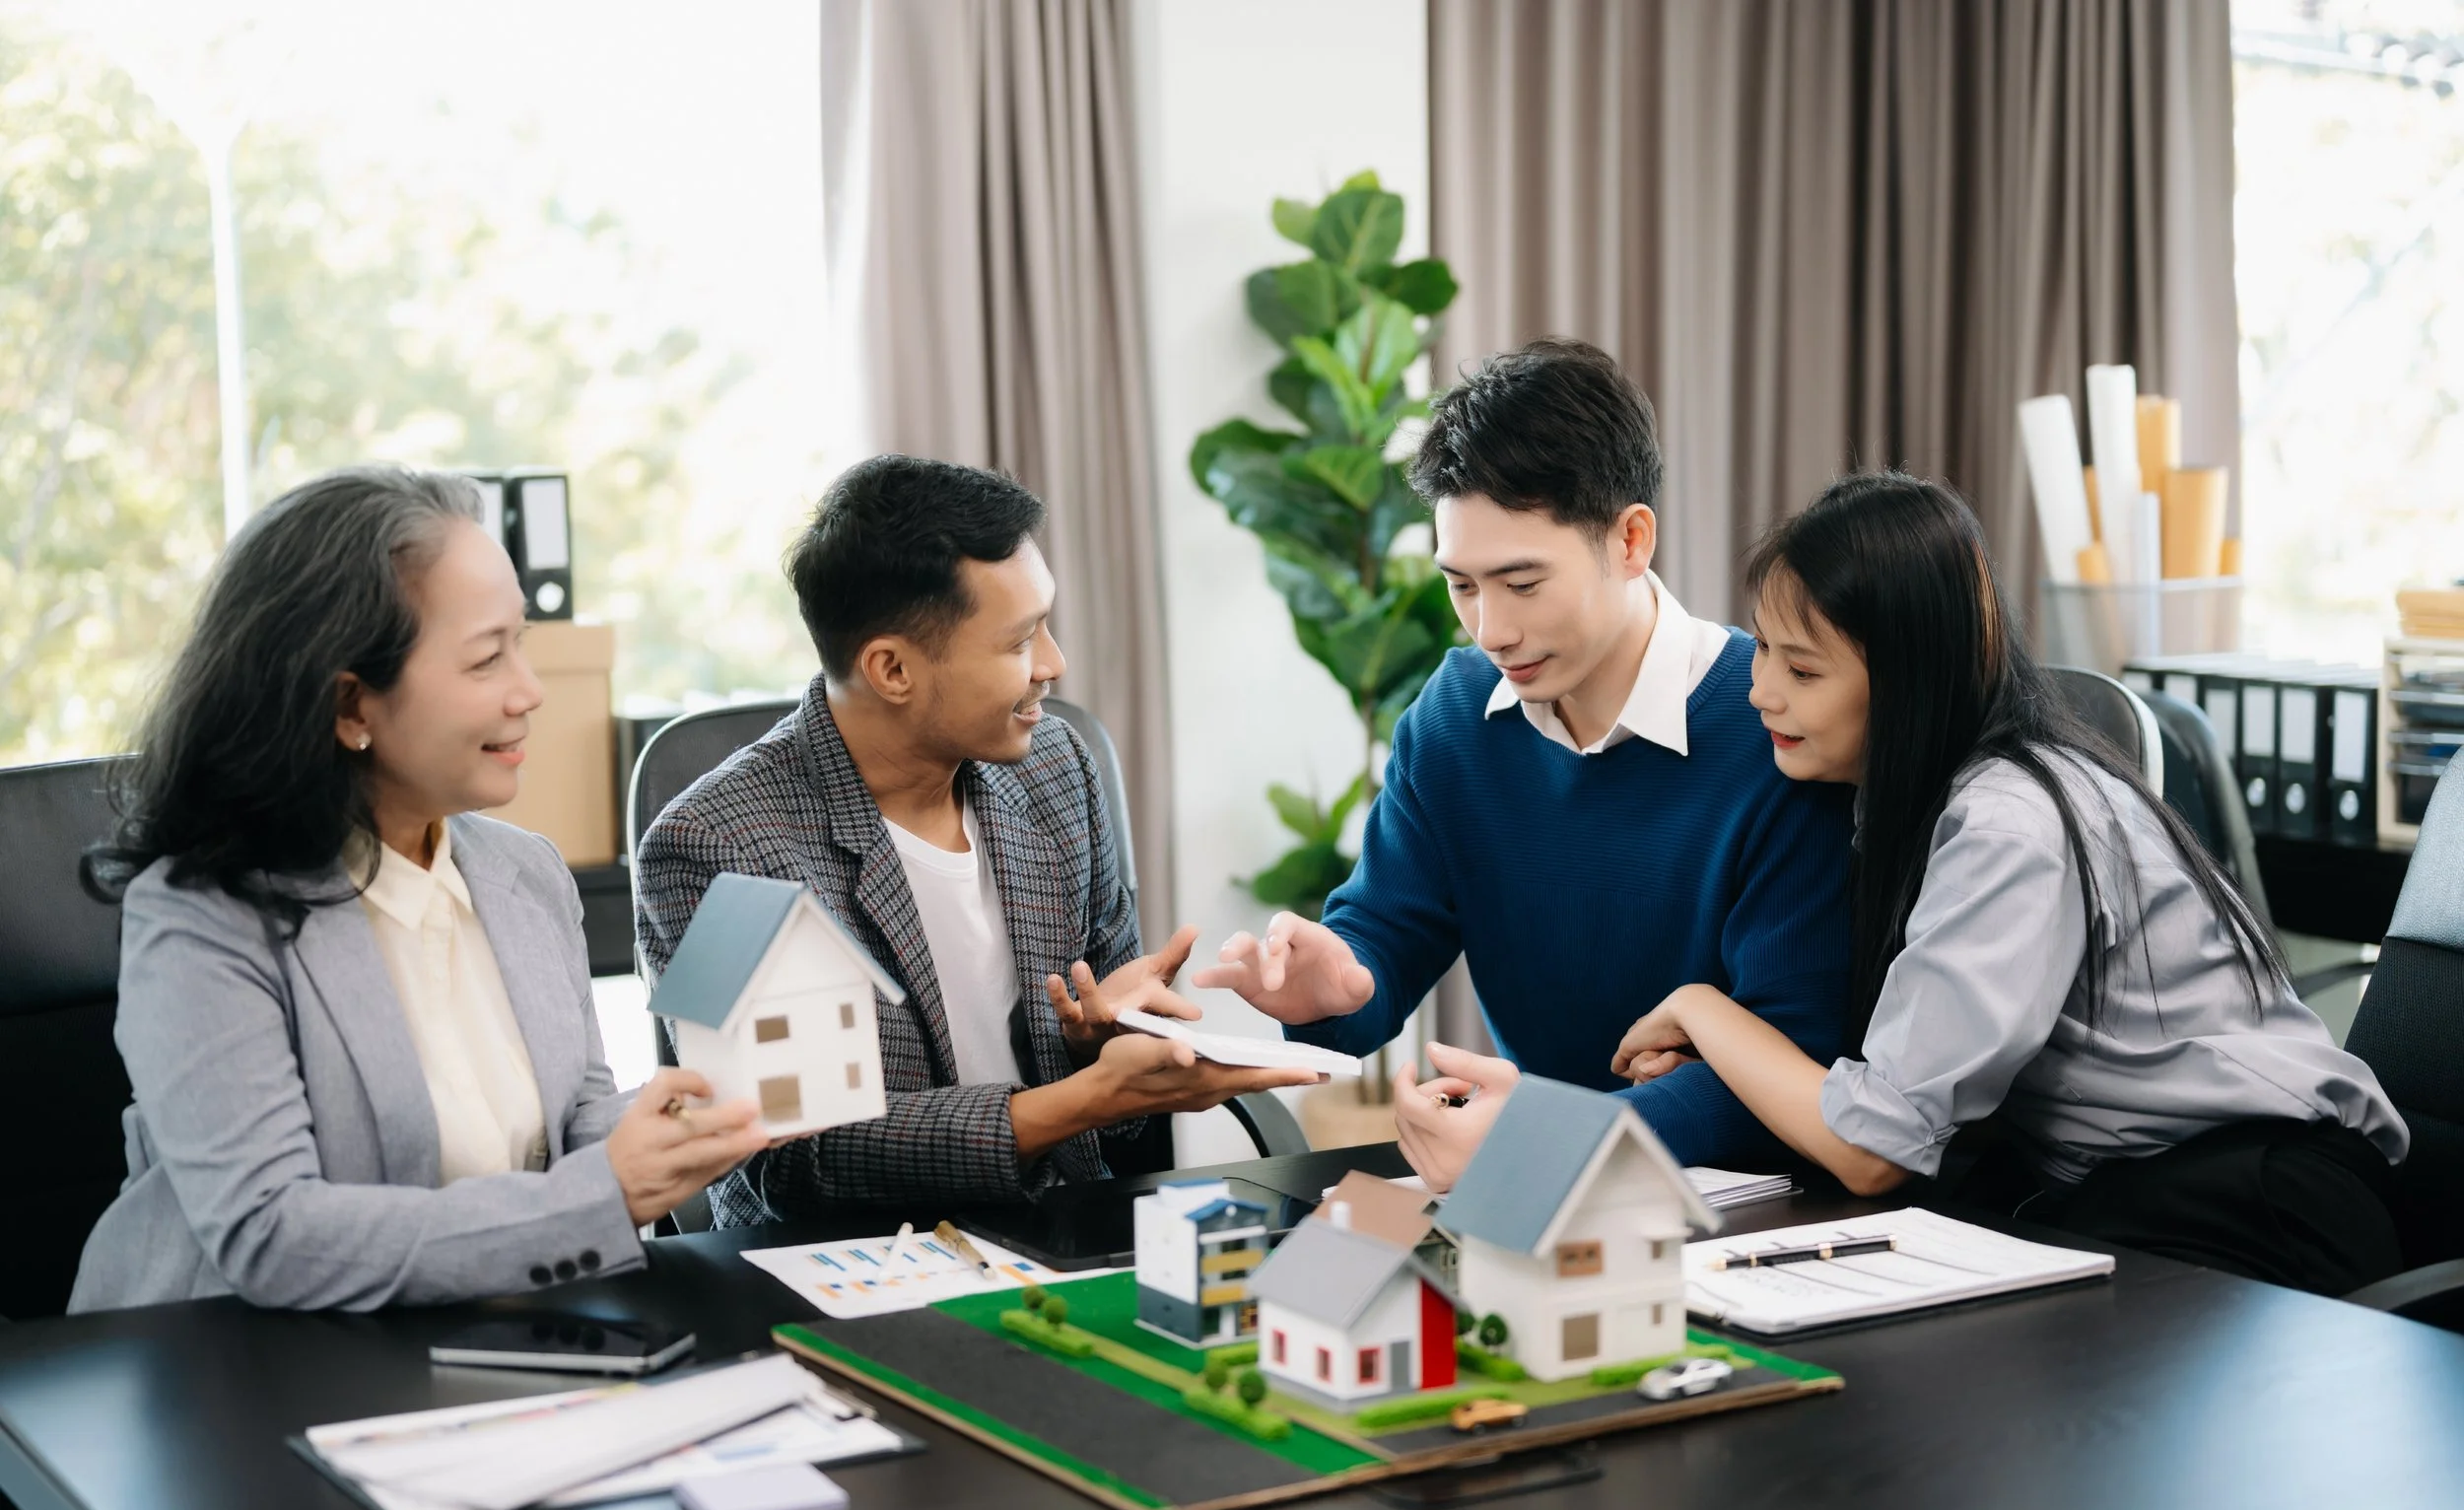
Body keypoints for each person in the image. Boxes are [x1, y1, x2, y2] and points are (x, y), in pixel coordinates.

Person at [1417, 470, 2409, 1295]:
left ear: (1910, 681)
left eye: (1802, 672)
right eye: (1763, 649)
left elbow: (1870, 1144)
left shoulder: (2008, 821)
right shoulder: (1899, 801)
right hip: (2121, 1191)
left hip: (2262, 1207)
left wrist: (1699, 1007)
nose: (1760, 691)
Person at [72, 467, 768, 1314]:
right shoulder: (201, 917)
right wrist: (601, 1196)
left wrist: (677, 1126)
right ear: (349, 705)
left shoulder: (526, 872)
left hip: (480, 1334)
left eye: (523, 640)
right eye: (487, 657)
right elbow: (271, 1232)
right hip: (227, 1363)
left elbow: (568, 1121)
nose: (531, 689)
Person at [1194, 338, 1856, 1170]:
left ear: (1631, 541)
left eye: (1523, 583)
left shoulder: (1775, 734)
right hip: (1530, 1182)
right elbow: (1383, 937)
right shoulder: (1456, 715)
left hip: (1740, 1212)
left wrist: (1549, 1141)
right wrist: (1337, 985)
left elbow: (1794, 1070)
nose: (1490, 629)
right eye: (1461, 585)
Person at [636, 454, 1317, 1221]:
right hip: (842, 1268)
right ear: (891, 668)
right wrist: (1075, 1099)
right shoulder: (716, 845)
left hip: (1058, 1231)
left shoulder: (1056, 770)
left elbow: (1119, 1114)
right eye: (1021, 641)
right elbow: (795, 1159)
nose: (1054, 665)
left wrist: (1102, 1040)